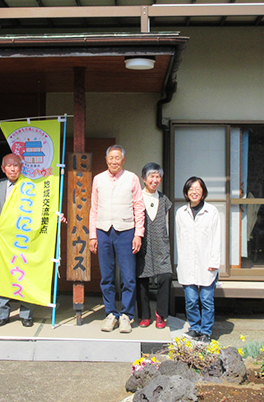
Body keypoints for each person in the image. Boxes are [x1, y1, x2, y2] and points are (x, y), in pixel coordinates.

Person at [89, 145, 145, 334]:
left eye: (117, 158)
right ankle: (111, 313)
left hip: (126, 231)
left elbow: (139, 206)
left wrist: (138, 234)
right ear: (106, 160)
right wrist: (92, 235)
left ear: (123, 160)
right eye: (111, 158)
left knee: (128, 277)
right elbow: (94, 208)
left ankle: (127, 315)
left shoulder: (132, 178)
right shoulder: (98, 179)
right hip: (103, 230)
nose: (114, 161)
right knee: (107, 277)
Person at [0, 153, 35, 327]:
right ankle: (2, 314)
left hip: (24, 238)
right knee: (3, 274)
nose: (13, 169)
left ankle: (26, 314)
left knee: (26, 274)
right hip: (3, 239)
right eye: (9, 166)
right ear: (3, 168)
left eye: (16, 165)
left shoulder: (30, 185)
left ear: (21, 167)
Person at [175, 176, 221, 341]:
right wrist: (180, 263)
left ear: (203, 192)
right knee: (191, 300)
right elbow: (180, 240)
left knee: (207, 300)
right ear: (186, 193)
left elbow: (216, 238)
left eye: (197, 189)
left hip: (207, 262)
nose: (194, 192)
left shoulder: (211, 211)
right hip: (188, 263)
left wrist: (214, 262)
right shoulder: (181, 212)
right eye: (191, 189)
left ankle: (206, 331)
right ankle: (194, 327)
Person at [135, 163, 174, 329]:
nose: (155, 180)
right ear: (144, 178)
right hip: (142, 244)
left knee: (165, 277)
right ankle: (144, 315)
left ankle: (161, 314)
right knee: (142, 279)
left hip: (161, 244)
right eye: (152, 176)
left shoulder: (164, 199)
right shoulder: (137, 199)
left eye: (158, 176)